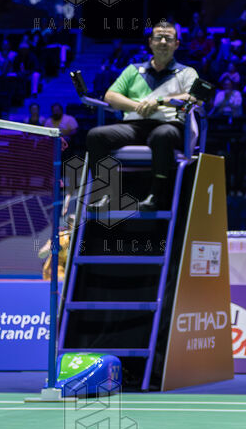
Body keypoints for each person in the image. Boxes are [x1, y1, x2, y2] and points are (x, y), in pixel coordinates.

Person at [84, 21, 201, 211]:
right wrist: (136, 106)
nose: (163, 42)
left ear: (176, 44)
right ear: (150, 42)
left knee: (161, 135)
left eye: (168, 38)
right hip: (134, 127)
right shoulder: (133, 70)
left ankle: (156, 195)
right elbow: (110, 96)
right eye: (158, 38)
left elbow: (195, 97)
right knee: (96, 136)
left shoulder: (187, 72)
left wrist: (160, 101)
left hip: (170, 126)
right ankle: (106, 194)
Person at [38, 213, 75, 282]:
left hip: (72, 272)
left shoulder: (82, 238)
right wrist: (51, 248)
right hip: (54, 273)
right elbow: (41, 255)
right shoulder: (60, 237)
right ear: (70, 223)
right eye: (73, 221)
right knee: (61, 279)